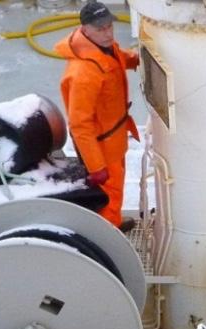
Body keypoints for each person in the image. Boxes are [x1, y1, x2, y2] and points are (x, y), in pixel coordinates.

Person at [55, 1, 139, 228]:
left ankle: (114, 222)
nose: (107, 33)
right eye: (100, 29)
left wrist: (137, 59)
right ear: (86, 29)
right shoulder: (83, 73)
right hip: (101, 148)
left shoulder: (105, 48)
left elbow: (119, 58)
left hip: (115, 137)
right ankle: (110, 238)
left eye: (109, 26)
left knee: (116, 191)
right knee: (108, 196)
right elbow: (80, 125)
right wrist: (96, 167)